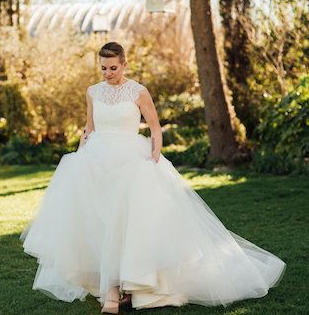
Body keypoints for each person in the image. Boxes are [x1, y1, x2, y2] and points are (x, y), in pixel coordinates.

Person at [20, 42, 286, 313]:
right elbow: (89, 128)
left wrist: (154, 159)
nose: (108, 73)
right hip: (97, 162)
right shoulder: (93, 92)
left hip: (131, 160)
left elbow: (156, 129)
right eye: (103, 68)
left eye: (113, 68)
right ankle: (110, 287)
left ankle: (123, 289)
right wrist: (80, 157)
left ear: (124, 64)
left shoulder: (138, 91)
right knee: (99, 222)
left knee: (128, 223)